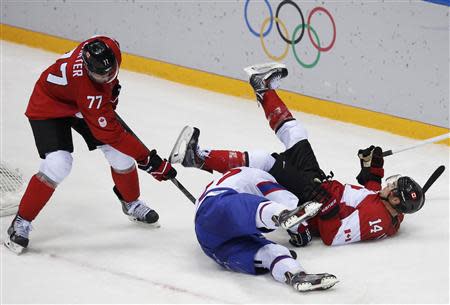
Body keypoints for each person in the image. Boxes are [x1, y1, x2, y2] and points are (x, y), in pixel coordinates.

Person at [170, 62, 425, 247]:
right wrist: (373, 170)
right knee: (295, 135)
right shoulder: (392, 211)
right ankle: (263, 88)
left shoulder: (376, 219)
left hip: (312, 203)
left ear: (394, 201)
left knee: (265, 161)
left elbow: (332, 236)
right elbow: (369, 197)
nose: (389, 184)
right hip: (321, 186)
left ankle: (198, 157)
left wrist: (326, 204)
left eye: (391, 186)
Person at [4, 36, 177, 254]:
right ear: (87, 68)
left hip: (80, 101)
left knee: (120, 155)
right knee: (59, 163)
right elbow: (113, 134)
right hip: (49, 105)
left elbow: (110, 123)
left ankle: (131, 203)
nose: (106, 77)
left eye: (109, 72)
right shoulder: (88, 90)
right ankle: (21, 222)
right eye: (100, 74)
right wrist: (149, 161)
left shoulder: (108, 45)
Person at [193, 165, 339, 292]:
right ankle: (280, 215)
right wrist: (300, 231)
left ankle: (296, 276)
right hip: (215, 208)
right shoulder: (258, 174)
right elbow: (286, 201)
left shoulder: (232, 177)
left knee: (270, 252)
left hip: (212, 244)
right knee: (252, 209)